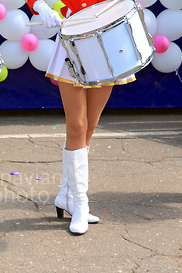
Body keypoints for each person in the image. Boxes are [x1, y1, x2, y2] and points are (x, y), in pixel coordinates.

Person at [27, 0, 136, 235]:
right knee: (77, 125)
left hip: (106, 40)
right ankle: (80, 203)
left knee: (89, 127)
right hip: (72, 42)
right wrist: (41, 7)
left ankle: (66, 196)